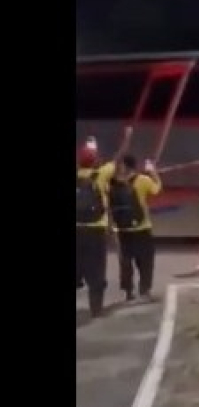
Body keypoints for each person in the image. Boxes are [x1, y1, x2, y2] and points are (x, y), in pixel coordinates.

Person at [76, 128, 130, 318]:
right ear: (95, 160)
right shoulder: (99, 176)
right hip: (96, 232)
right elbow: (117, 158)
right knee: (96, 271)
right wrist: (127, 138)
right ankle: (96, 309)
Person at [110, 153, 163, 302]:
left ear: (123, 166)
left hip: (122, 229)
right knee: (145, 260)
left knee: (125, 261)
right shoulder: (143, 180)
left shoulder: (114, 182)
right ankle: (144, 290)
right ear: (135, 165)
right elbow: (157, 189)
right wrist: (154, 173)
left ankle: (128, 291)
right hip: (142, 227)